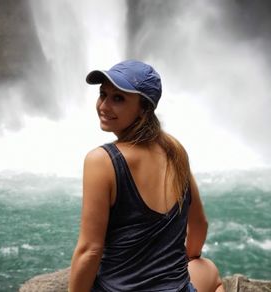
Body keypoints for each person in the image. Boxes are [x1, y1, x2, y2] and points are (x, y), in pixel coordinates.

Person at [69, 60, 224, 292]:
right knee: (206, 268)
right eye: (103, 94)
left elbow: (89, 250)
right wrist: (185, 260)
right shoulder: (175, 150)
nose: (104, 105)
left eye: (118, 98)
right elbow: (199, 224)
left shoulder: (101, 161)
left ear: (144, 108)